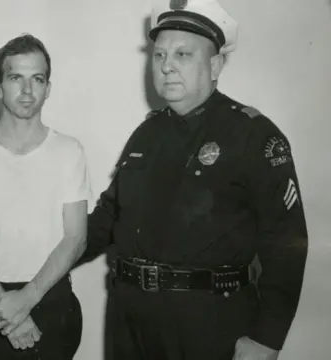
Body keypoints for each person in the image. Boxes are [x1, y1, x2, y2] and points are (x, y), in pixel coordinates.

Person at [81, 0, 309, 359]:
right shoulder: (146, 134)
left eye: (183, 55)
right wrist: (47, 260)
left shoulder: (253, 135)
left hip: (209, 322)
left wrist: (267, 339)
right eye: (159, 56)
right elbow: (108, 218)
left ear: (215, 65)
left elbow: (287, 243)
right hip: (130, 321)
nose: (167, 66)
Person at [0, 34, 91, 360]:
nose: (27, 91)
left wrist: (26, 300)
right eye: (16, 78)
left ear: (48, 88)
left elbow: (76, 238)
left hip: (51, 300)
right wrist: (8, 309)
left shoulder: (70, 151)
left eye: (37, 79)